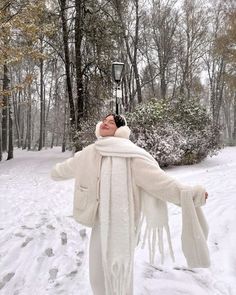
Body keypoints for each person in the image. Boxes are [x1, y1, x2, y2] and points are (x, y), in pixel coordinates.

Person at [51, 114, 210, 295]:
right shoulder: (90, 152)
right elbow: (68, 167)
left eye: (111, 122)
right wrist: (54, 172)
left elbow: (161, 183)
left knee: (118, 277)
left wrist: (192, 194)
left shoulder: (131, 155)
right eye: (104, 120)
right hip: (98, 224)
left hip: (121, 226)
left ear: (120, 130)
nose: (105, 123)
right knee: (97, 278)